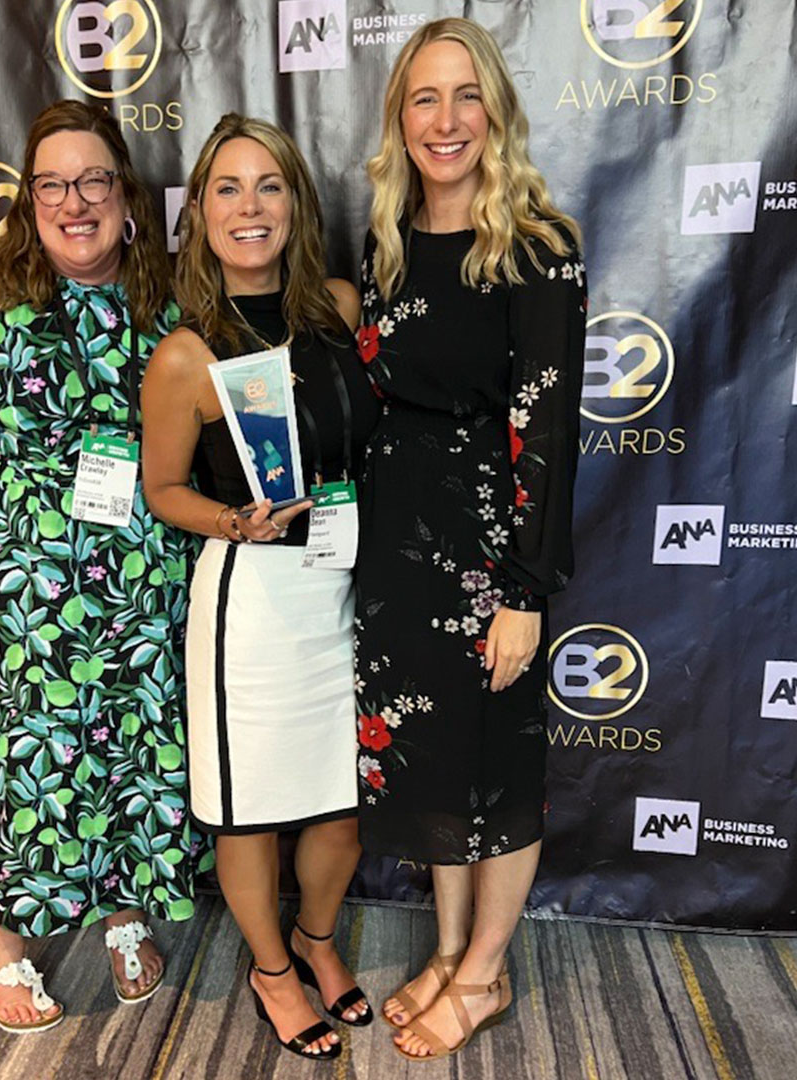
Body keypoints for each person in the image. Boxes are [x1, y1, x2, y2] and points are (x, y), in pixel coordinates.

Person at [0, 100, 202, 1033]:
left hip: (147, 584)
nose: (75, 202)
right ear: (29, 200)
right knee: (39, 769)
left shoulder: (167, 290)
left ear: (125, 192)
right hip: (28, 592)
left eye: (94, 180)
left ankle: (120, 910)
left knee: (136, 755)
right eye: (52, 184)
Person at [352, 18, 587, 1060]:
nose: (445, 121)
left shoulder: (537, 250)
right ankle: (448, 949)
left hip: (488, 563)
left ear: (494, 110)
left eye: (464, 96)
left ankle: (486, 974)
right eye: (423, 99)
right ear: (399, 120)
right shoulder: (387, 242)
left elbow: (546, 432)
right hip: (395, 552)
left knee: (498, 769)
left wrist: (526, 589)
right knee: (438, 765)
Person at [141, 114, 381, 1061]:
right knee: (250, 811)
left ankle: (317, 943)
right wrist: (228, 519)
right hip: (251, 606)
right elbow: (163, 489)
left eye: (269, 187)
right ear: (199, 213)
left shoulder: (339, 308)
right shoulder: (185, 355)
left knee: (342, 804)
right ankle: (272, 971)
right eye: (229, 190)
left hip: (344, 589)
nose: (251, 208)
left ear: (296, 202)